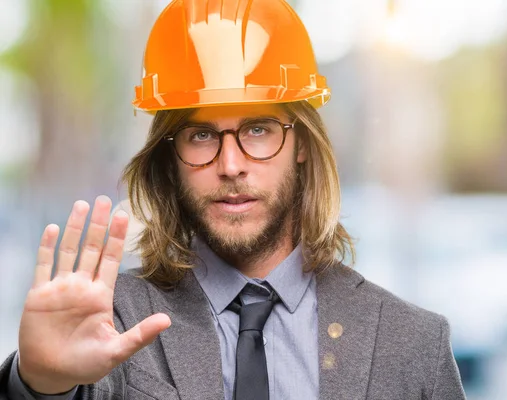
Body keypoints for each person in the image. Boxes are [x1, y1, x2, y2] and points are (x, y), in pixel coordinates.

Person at [0, 0, 466, 399]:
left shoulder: (413, 345)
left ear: (302, 144)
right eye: (201, 134)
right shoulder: (110, 319)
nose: (230, 164)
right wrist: (37, 385)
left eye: (258, 129)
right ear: (170, 157)